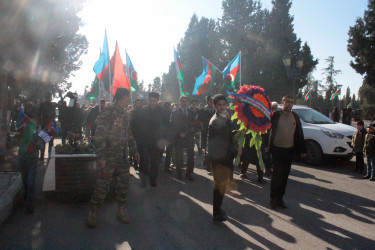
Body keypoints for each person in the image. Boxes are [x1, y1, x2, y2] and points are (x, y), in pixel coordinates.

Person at [87, 88, 140, 228]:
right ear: (122, 97)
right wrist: (102, 156)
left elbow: (129, 134)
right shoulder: (108, 112)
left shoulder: (125, 114)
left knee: (123, 185)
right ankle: (94, 212)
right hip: (108, 158)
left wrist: (134, 149)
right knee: (102, 185)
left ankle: (121, 211)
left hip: (122, 157)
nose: (130, 99)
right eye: (128, 97)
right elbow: (100, 136)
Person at [267, 96, 306, 209]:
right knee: (276, 176)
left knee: (284, 176)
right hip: (277, 150)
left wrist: (303, 150)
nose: (289, 104)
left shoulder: (295, 117)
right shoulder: (275, 115)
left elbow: (299, 133)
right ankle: (273, 199)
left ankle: (280, 199)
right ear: (282, 103)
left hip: (289, 151)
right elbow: (266, 127)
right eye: (287, 102)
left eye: (292, 102)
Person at [208, 94, 237, 222]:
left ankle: (218, 208)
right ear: (215, 106)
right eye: (219, 105)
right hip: (219, 158)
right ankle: (216, 213)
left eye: (224, 104)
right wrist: (233, 149)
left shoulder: (225, 116)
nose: (222, 107)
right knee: (219, 185)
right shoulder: (215, 121)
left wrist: (236, 133)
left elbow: (227, 135)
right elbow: (219, 142)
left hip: (226, 156)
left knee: (222, 185)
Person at [16, 102, 44, 213]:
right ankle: (27, 196)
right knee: (25, 180)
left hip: (32, 158)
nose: (33, 120)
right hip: (22, 157)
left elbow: (42, 143)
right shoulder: (22, 127)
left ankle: (29, 205)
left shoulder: (37, 129)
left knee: (30, 182)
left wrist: (39, 144)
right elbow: (15, 139)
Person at [137, 92, 169, 187]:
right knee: (144, 161)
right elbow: (138, 126)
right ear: (149, 100)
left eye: (154, 100)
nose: (152, 102)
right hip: (144, 141)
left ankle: (153, 180)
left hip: (157, 142)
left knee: (155, 162)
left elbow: (167, 126)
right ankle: (143, 180)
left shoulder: (163, 111)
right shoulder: (142, 111)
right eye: (151, 100)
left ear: (158, 101)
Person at [171, 96, 197, 180]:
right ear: (180, 102)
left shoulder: (191, 112)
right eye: (182, 101)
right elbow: (173, 125)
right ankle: (179, 173)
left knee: (190, 156)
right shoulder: (175, 112)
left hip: (189, 137)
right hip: (179, 137)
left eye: (185, 101)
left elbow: (194, 123)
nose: (184, 103)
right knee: (179, 156)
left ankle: (189, 173)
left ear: (188, 102)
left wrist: (192, 130)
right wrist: (179, 133)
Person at [197, 96, 215, 173]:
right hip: (205, 131)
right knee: (207, 149)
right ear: (206, 101)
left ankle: (209, 164)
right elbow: (199, 120)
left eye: (212, 101)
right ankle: (208, 165)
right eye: (209, 100)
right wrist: (201, 127)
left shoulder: (215, 110)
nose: (211, 102)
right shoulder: (203, 110)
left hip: (214, 132)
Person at [37, 93, 56, 160]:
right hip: (45, 125)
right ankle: (42, 156)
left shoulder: (52, 105)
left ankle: (49, 155)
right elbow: (38, 115)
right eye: (50, 97)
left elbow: (54, 114)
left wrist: (53, 122)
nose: (50, 98)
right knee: (43, 141)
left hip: (51, 126)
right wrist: (42, 123)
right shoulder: (43, 105)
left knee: (50, 141)